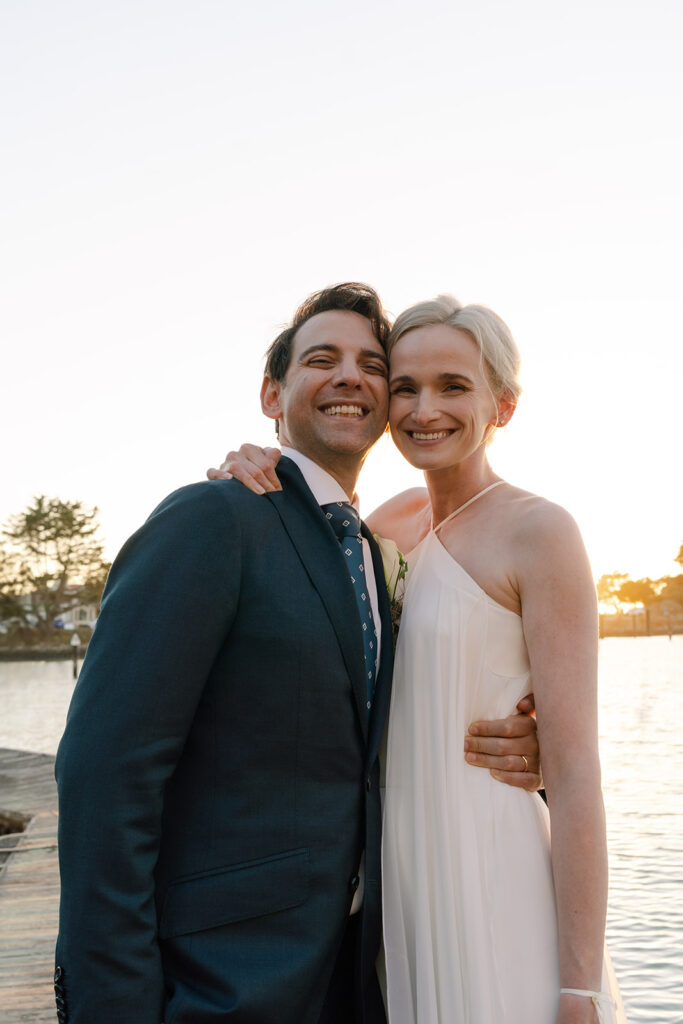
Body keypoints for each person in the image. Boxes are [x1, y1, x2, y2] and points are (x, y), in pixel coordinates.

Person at [54, 283, 539, 1024]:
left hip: (363, 970)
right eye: (321, 358)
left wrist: (531, 736)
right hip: (217, 980)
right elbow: (104, 774)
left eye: (373, 366)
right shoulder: (211, 519)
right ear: (271, 394)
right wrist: (112, 1003)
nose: (350, 376)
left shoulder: (376, 555)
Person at [215, 295, 627, 1023]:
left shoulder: (539, 531)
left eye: (452, 386)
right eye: (404, 386)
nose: (422, 408)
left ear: (501, 405)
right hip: (395, 878)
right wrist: (256, 464)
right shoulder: (386, 523)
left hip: (491, 867)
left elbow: (572, 772)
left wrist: (579, 983)